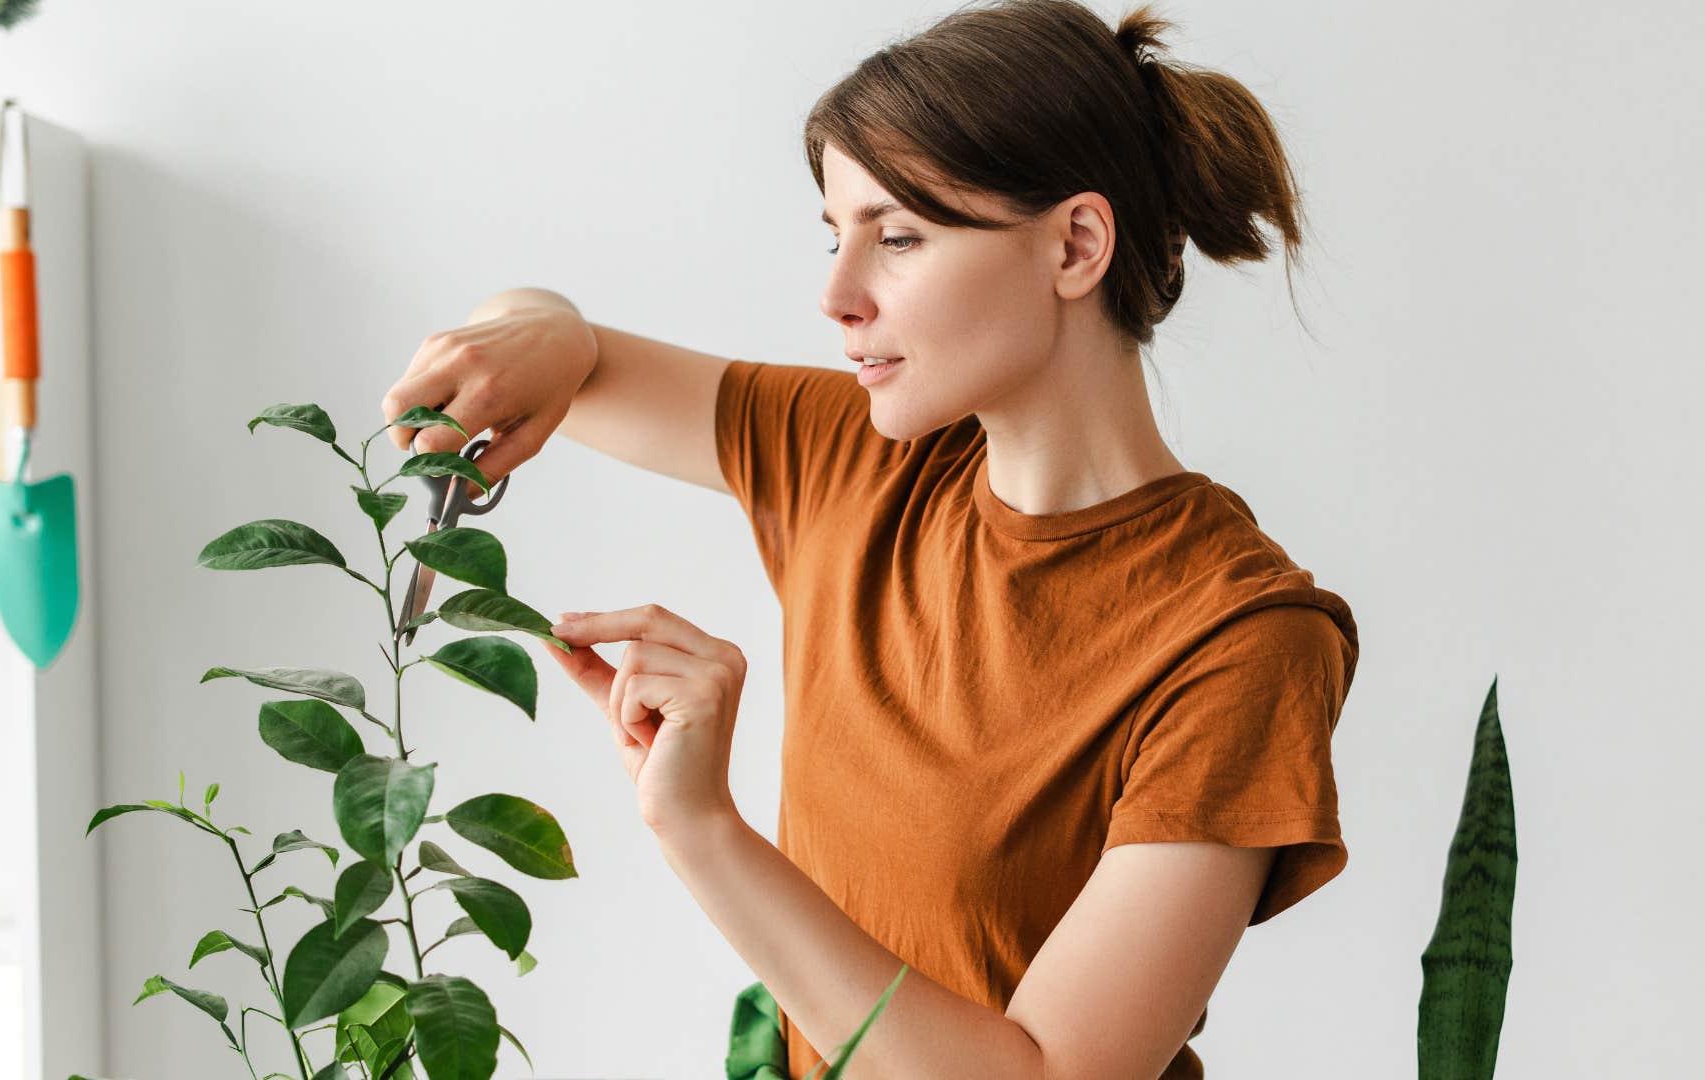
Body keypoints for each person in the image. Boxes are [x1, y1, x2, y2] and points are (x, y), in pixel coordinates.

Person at [379, 2, 1359, 1075]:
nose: (837, 295)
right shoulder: (862, 459)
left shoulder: (1240, 639)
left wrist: (702, 828)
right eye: (835, 235)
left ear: (1076, 244)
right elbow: (564, 360)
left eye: (898, 237)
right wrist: (547, 322)